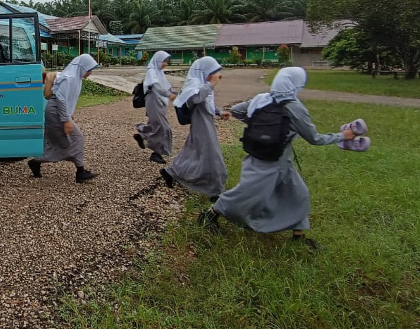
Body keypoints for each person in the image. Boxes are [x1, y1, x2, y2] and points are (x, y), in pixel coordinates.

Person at [198, 67, 355, 249]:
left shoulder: (262, 99)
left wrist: (258, 124)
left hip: (274, 160)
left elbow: (236, 110)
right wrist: (342, 136)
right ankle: (208, 215)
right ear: (295, 84)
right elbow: (314, 139)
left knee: (298, 194)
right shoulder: (295, 108)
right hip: (269, 164)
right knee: (245, 194)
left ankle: (299, 237)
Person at [159, 56, 230, 200]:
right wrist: (211, 85)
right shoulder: (194, 84)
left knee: (192, 150)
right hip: (201, 123)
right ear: (204, 71)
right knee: (212, 155)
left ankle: (170, 172)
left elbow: (207, 103)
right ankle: (216, 191)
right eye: (213, 72)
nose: (215, 75)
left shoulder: (202, 83)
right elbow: (195, 99)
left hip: (206, 121)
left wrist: (219, 112)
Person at [28, 54, 100, 183]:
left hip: (57, 112)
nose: (90, 73)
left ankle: (36, 162)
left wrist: (69, 113)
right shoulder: (70, 78)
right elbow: (60, 99)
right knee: (76, 139)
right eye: (89, 69)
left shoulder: (75, 78)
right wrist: (66, 120)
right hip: (56, 112)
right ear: (82, 67)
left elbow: (68, 98)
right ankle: (80, 172)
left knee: (59, 142)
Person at [134, 51, 178, 164]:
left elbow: (166, 86)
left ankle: (141, 135)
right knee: (164, 128)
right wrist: (169, 95)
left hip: (159, 101)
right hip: (153, 100)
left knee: (155, 124)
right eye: (164, 61)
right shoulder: (151, 71)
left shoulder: (159, 72)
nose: (166, 64)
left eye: (167, 61)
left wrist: (176, 92)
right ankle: (156, 153)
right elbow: (156, 86)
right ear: (158, 60)